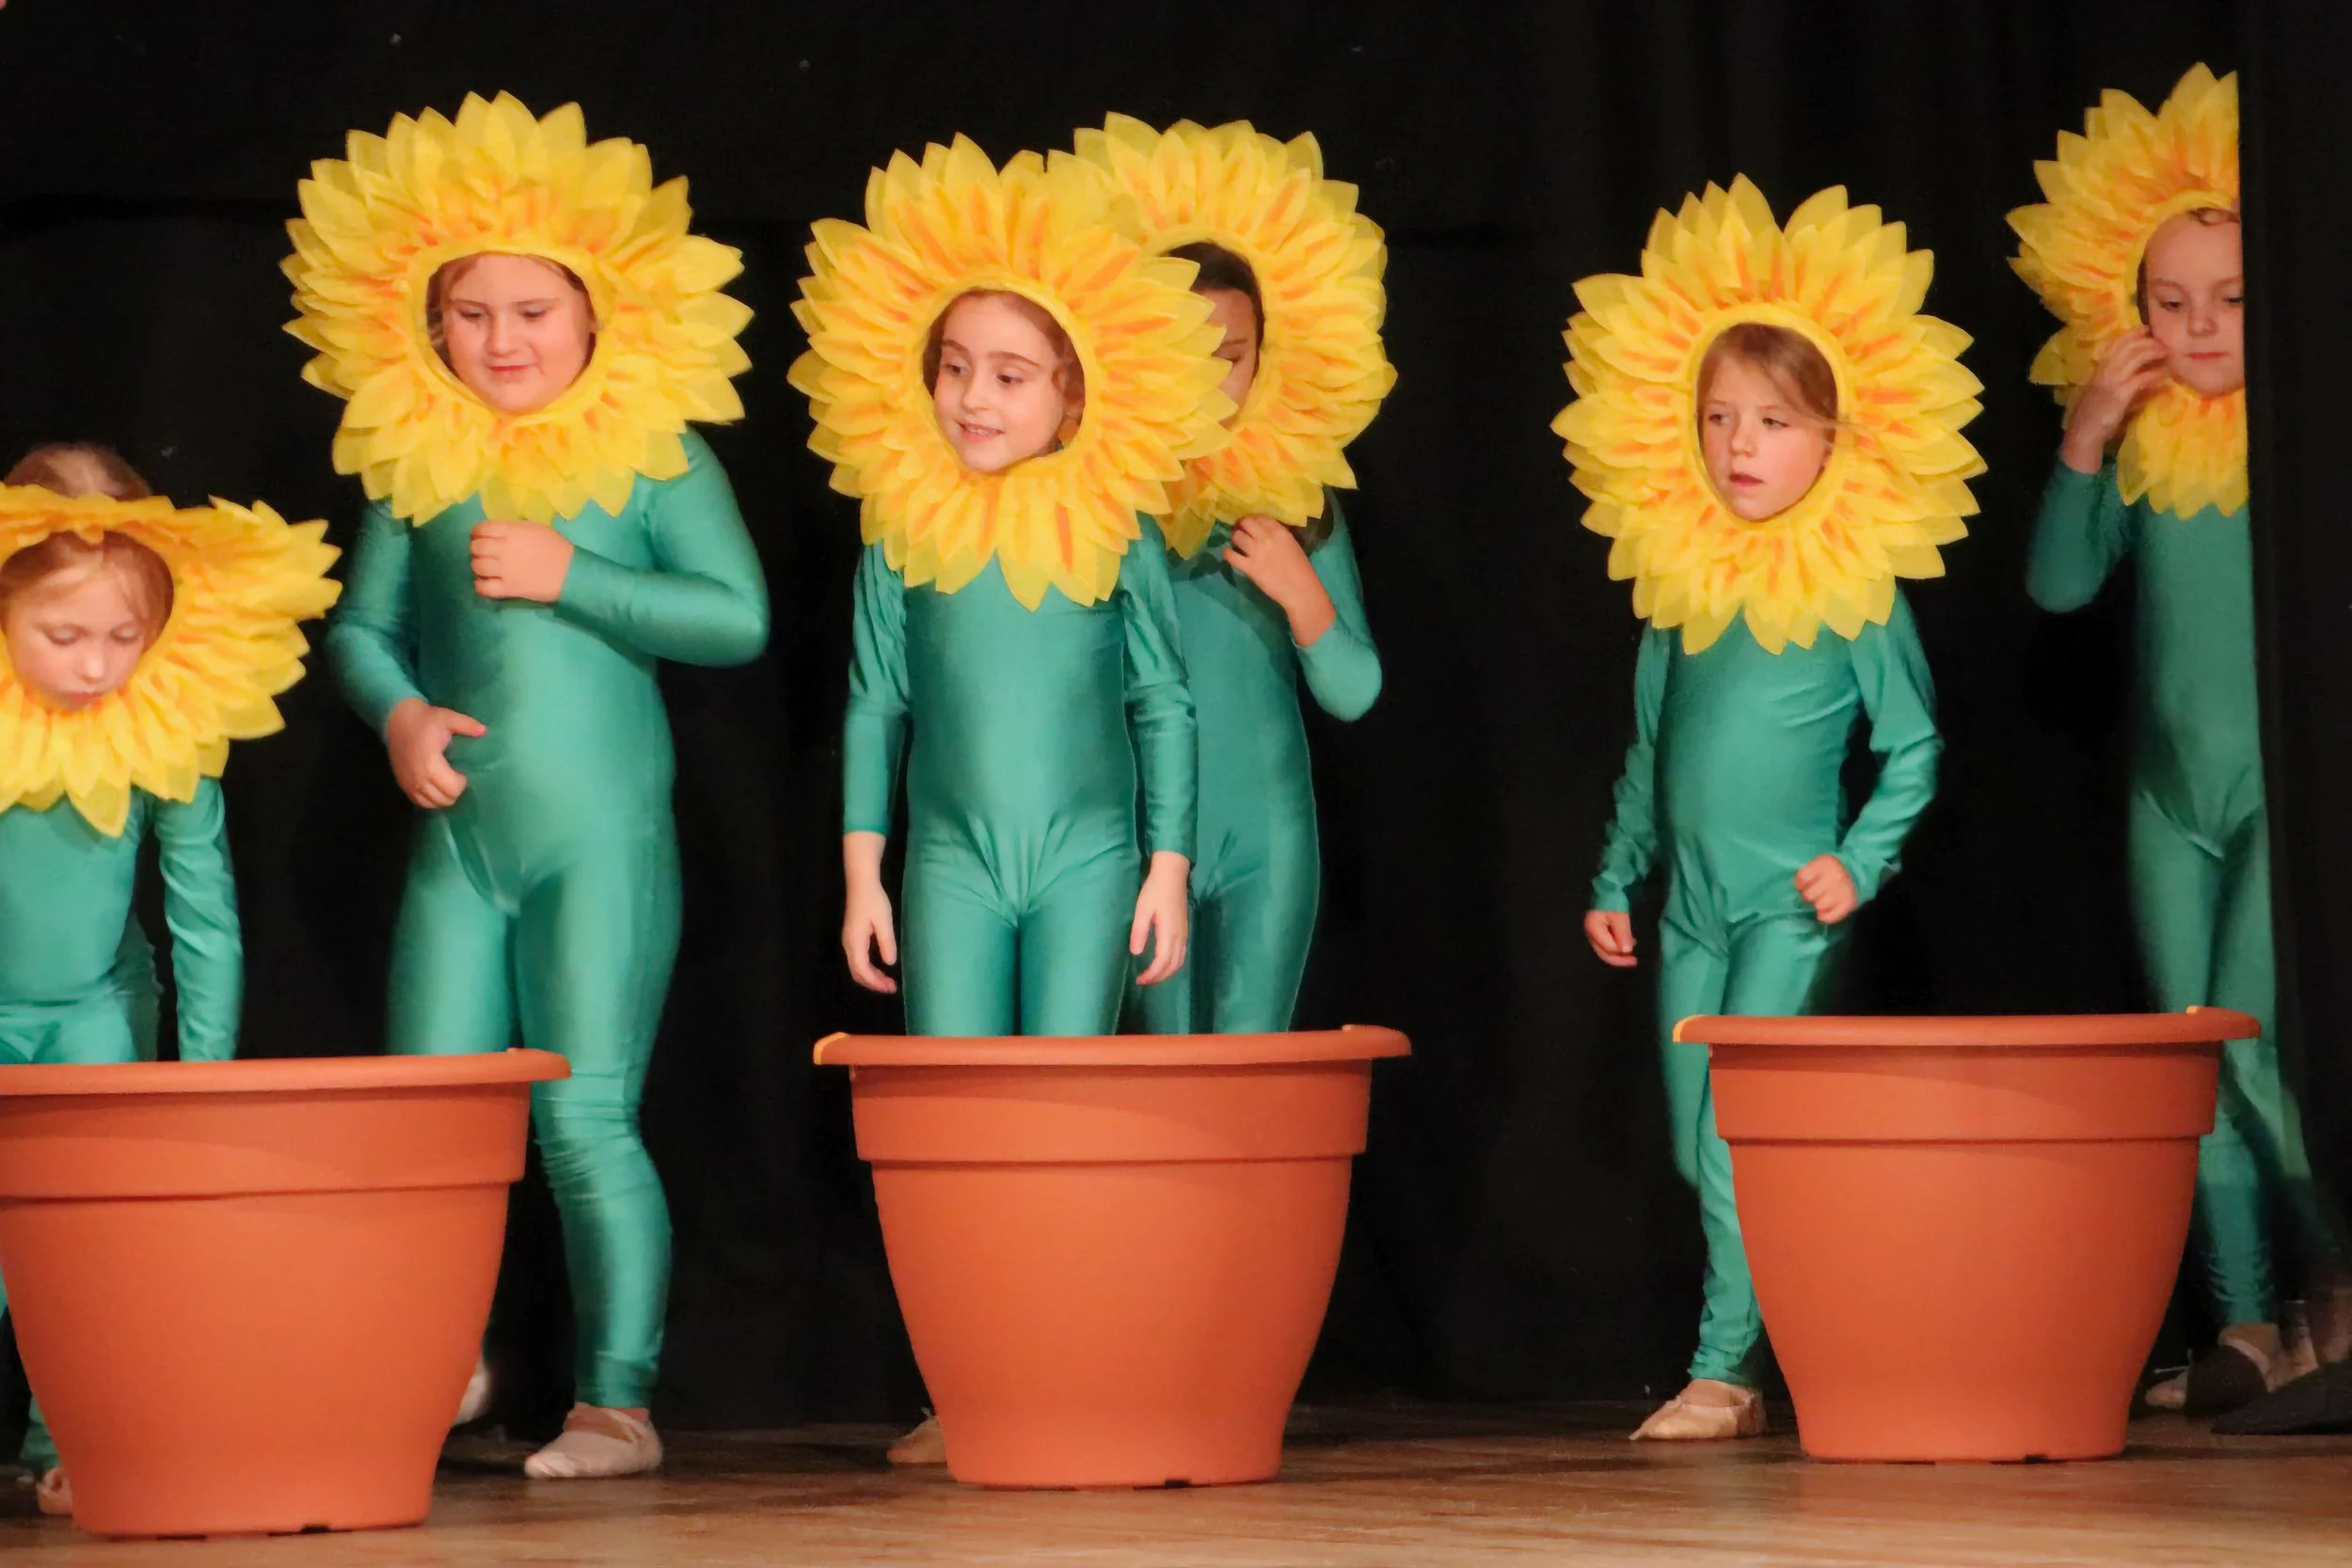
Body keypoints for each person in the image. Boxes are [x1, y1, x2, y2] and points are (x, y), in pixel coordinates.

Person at [295, 94, 766, 1479]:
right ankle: (447, 1363)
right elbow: (363, 631)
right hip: (465, 843)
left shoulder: (658, 452)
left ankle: (617, 1400)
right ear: (429, 322)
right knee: (430, 1114)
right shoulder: (415, 463)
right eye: (472, 313)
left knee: (580, 1115)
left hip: (600, 844)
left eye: (533, 311)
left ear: (597, 313)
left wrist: (583, 578)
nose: (501, 340)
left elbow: (734, 616)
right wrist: (396, 717)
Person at [1559, 179, 1981, 1440]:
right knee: (1702, 1150)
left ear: (1838, 437)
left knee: (1743, 1137)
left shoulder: (1856, 588)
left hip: (1788, 905)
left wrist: (1859, 861)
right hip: (1690, 907)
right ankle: (1804, 1341)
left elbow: (1913, 743)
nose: (1740, 445)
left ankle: (1725, 1371)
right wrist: (1611, 875)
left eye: (1775, 421)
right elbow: (1652, 748)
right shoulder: (1679, 582)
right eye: (1719, 417)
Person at [2014, 64, 2347, 1415]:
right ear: (2131, 308)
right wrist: (2091, 427)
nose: (2200, 325)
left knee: (2250, 1034)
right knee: (2185, 1045)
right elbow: (2055, 586)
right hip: (2170, 793)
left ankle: (2336, 1276)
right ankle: (2250, 1318)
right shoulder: (2146, 437)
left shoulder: (2303, 438)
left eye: (2233, 298)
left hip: (2283, 785)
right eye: (2170, 302)